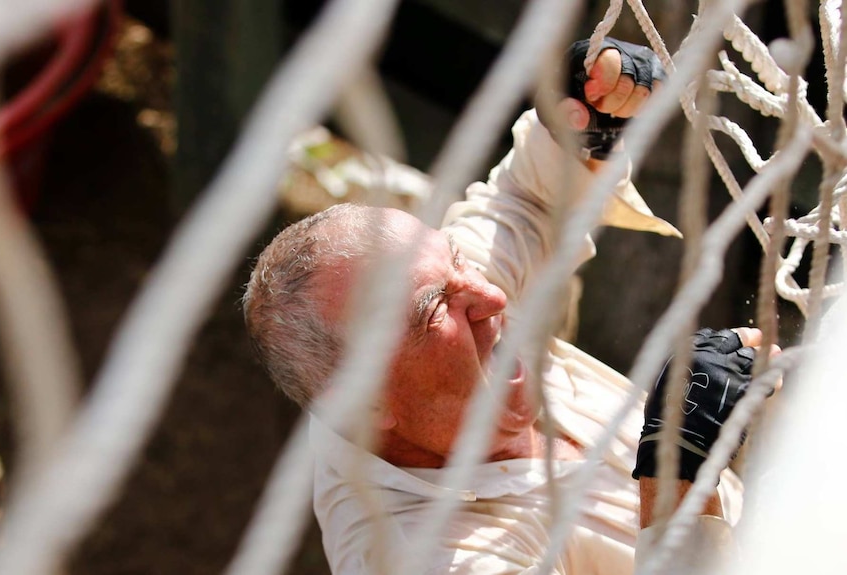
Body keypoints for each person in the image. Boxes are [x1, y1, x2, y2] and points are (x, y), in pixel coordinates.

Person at [243, 38, 771, 574]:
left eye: (455, 259)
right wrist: (678, 467)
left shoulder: (451, 297)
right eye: (435, 309)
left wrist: (585, 118)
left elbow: (527, 200)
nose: (492, 296)